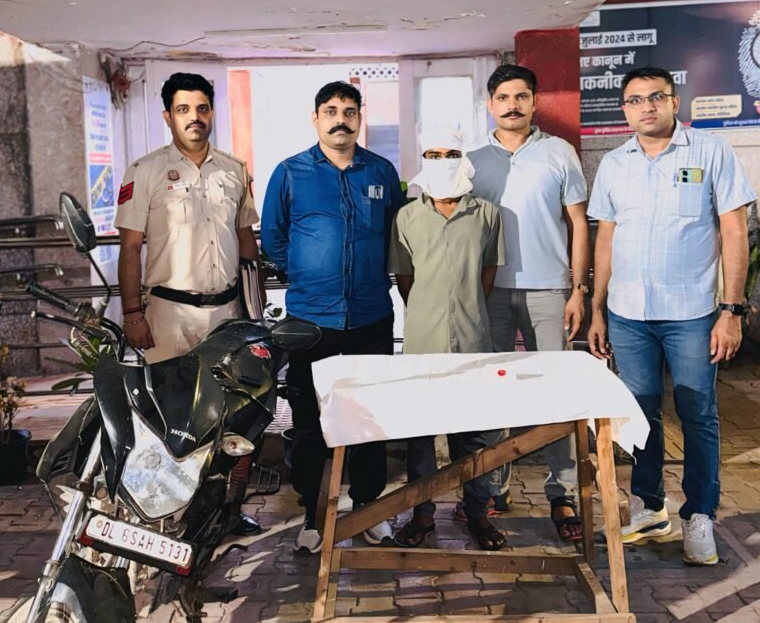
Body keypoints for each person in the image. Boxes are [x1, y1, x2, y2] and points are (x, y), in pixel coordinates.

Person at [587, 66, 755, 566]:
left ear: (674, 102)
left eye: (656, 97)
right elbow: (606, 238)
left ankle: (700, 514)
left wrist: (731, 310)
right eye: (635, 100)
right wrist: (597, 308)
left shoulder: (711, 152)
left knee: (697, 411)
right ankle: (649, 506)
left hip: (692, 312)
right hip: (628, 313)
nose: (646, 107)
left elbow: (734, 232)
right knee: (639, 414)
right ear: (625, 110)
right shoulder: (614, 163)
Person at [261, 81, 404, 555]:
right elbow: (273, 239)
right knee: (308, 425)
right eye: (331, 111)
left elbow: (395, 233)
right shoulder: (290, 172)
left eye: (349, 111)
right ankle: (312, 513)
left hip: (370, 318)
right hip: (310, 323)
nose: (340, 119)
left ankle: (367, 508)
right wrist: (308, 273)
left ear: (360, 117)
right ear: (315, 118)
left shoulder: (380, 171)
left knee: (370, 419)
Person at [468, 63, 591, 543]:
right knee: (493, 390)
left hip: (548, 290)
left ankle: (562, 492)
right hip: (490, 291)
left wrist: (578, 289)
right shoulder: (472, 161)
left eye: (521, 96)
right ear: (490, 104)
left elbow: (578, 223)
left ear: (535, 102)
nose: (512, 105)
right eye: (503, 97)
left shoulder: (559, 152)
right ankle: (493, 487)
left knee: (555, 392)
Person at [389, 126, 507, 551]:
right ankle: (422, 515)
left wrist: (464, 308)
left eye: (451, 154)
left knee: (473, 435)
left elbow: (487, 275)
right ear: (424, 160)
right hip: (423, 342)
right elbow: (405, 279)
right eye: (433, 155)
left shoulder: (487, 214)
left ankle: (477, 513)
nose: (442, 162)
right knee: (421, 434)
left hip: (472, 341)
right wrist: (431, 310)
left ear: (464, 158)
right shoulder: (407, 217)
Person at [115, 72, 261, 361]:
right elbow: (130, 248)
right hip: (170, 316)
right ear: (168, 117)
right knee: (170, 391)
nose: (195, 117)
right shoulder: (144, 172)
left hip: (228, 313)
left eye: (202, 108)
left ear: (212, 113)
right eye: (183, 109)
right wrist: (132, 315)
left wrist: (255, 306)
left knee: (228, 391)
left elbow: (246, 240)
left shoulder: (235, 170)